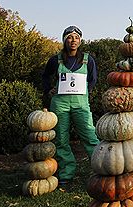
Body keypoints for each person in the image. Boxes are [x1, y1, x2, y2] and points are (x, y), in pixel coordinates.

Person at [42, 25, 99, 185]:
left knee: (90, 136)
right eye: (69, 37)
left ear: (80, 40)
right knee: (61, 139)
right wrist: (49, 89)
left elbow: (93, 80)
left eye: (76, 37)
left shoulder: (88, 59)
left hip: (81, 103)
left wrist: (84, 91)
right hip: (60, 104)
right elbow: (46, 76)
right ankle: (66, 174)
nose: (73, 40)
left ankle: (100, 169)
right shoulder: (56, 59)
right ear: (64, 40)